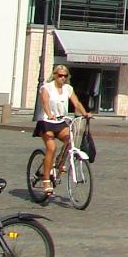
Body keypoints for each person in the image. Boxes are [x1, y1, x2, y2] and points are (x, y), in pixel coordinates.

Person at [35, 65, 91, 196]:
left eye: (65, 76)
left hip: (60, 121)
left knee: (70, 139)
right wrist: (49, 114)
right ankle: (46, 180)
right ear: (54, 75)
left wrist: (85, 113)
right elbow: (45, 102)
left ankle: (60, 160)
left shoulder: (68, 89)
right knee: (51, 147)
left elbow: (76, 103)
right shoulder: (47, 87)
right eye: (60, 75)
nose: (62, 78)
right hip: (46, 122)